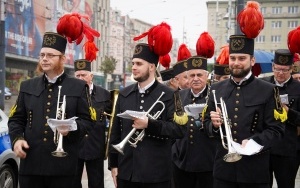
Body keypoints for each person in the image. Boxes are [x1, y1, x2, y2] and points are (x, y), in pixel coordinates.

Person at [203, 2, 285, 187]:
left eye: (241, 58)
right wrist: (214, 126)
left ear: (252, 60)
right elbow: (206, 126)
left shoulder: (268, 90)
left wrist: (255, 142)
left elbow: (277, 130)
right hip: (223, 171)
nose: (236, 63)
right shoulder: (216, 88)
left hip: (254, 171)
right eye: (233, 58)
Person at [8, 32, 94, 188]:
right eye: (42, 55)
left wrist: (71, 129)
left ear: (62, 58)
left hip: (63, 169)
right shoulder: (27, 86)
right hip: (31, 166)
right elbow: (16, 119)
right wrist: (17, 139)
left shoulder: (79, 86)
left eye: (50, 55)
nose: (44, 59)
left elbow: (87, 121)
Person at [108, 22, 186, 188]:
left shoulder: (170, 94)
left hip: (157, 173)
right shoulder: (124, 93)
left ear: (151, 67)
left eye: (138, 64)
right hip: (127, 171)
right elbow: (115, 132)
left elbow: (179, 130)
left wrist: (149, 124)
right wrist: (113, 165)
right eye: (133, 63)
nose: (134, 67)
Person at [262, 49, 300, 188]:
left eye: (285, 70)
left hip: (288, 148)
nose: (280, 73)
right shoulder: (263, 85)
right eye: (278, 69)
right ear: (273, 67)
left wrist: (288, 111)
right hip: (265, 146)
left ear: (291, 69)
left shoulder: (298, 88)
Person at [73, 59, 112, 188]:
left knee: (97, 184)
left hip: (96, 148)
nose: (80, 78)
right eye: (77, 75)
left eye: (83, 75)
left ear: (91, 76)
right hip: (74, 147)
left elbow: (112, 117)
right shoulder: (70, 94)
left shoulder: (104, 94)